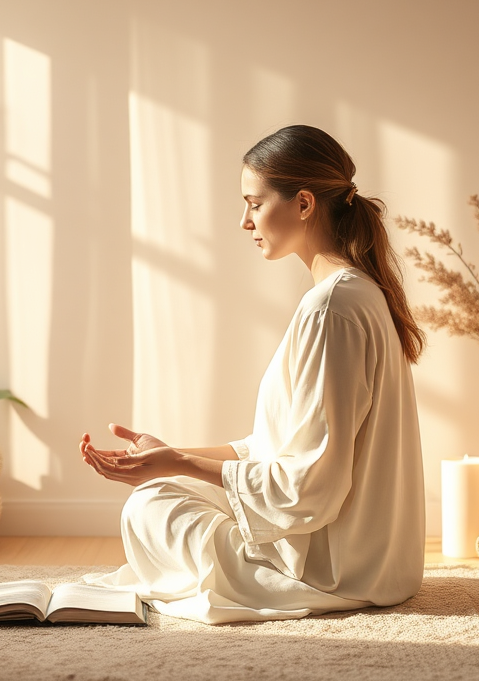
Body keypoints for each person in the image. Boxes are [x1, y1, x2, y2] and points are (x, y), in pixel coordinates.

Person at [79, 125, 426, 624]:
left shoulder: (332, 308)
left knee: (149, 506)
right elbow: (278, 448)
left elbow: (309, 487)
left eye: (254, 204)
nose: (245, 221)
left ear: (303, 204)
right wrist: (171, 456)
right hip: (372, 560)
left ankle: (254, 578)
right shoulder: (354, 294)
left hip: (337, 570)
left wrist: (178, 464)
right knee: (163, 488)